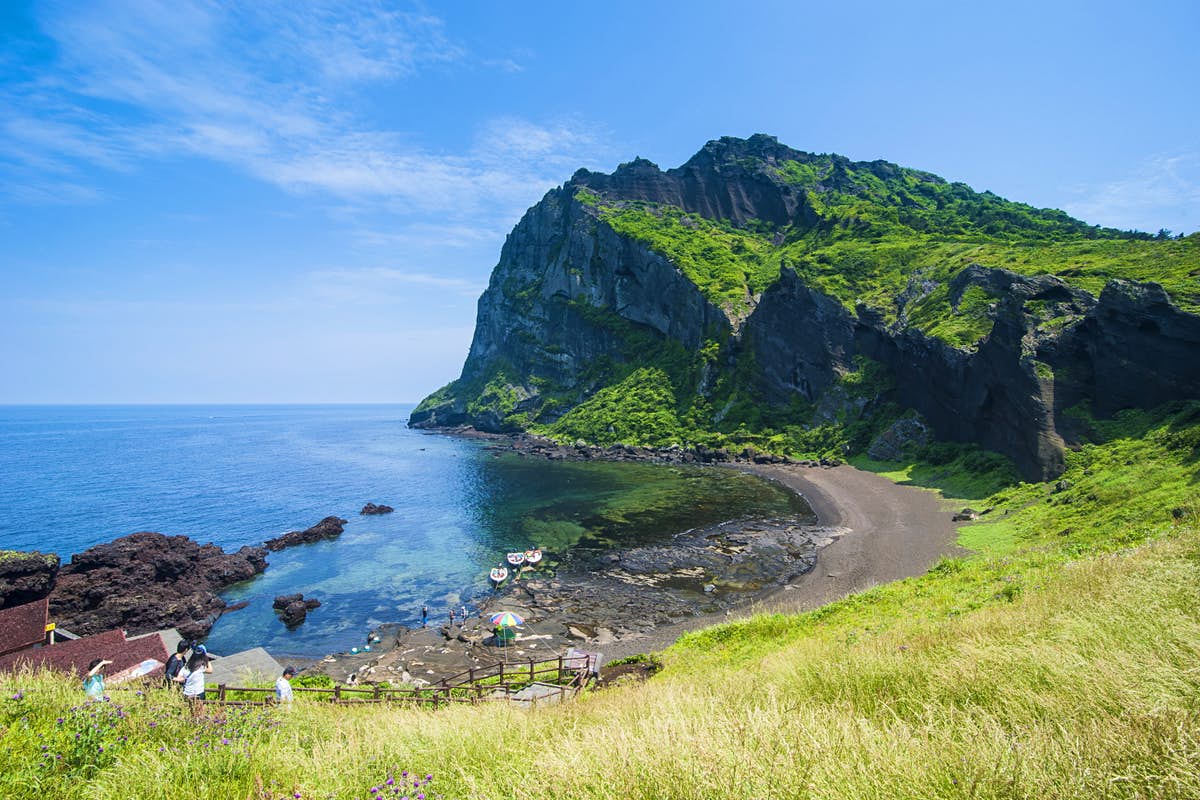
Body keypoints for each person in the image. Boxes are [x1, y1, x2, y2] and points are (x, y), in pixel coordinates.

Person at [177, 645, 213, 715]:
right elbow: (210, 670)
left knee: (190, 711)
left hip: (187, 693)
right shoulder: (200, 668)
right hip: (199, 693)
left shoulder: (185, 667)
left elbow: (179, 678)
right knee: (201, 712)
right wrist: (206, 658)